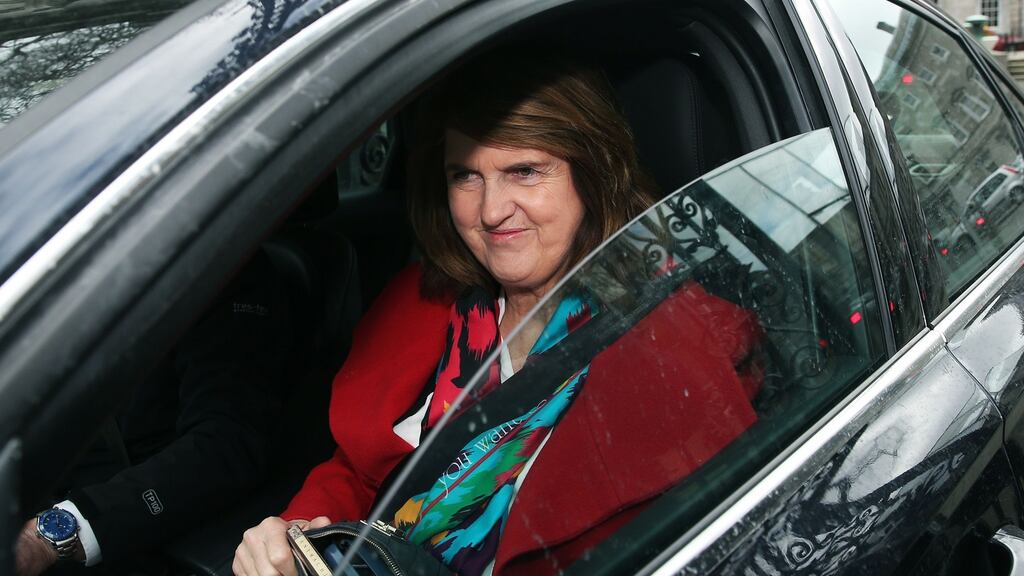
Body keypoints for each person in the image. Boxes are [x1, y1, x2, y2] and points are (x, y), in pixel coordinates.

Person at [233, 53, 762, 576]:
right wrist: (289, 539)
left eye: (525, 171)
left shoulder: (688, 353)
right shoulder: (422, 303)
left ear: (594, 173)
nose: (489, 211)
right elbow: (364, 474)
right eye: (465, 176)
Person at [16, 249, 293, 575]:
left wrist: (45, 537)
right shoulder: (45, 269)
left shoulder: (220, 268)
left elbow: (226, 443)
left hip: (129, 524)